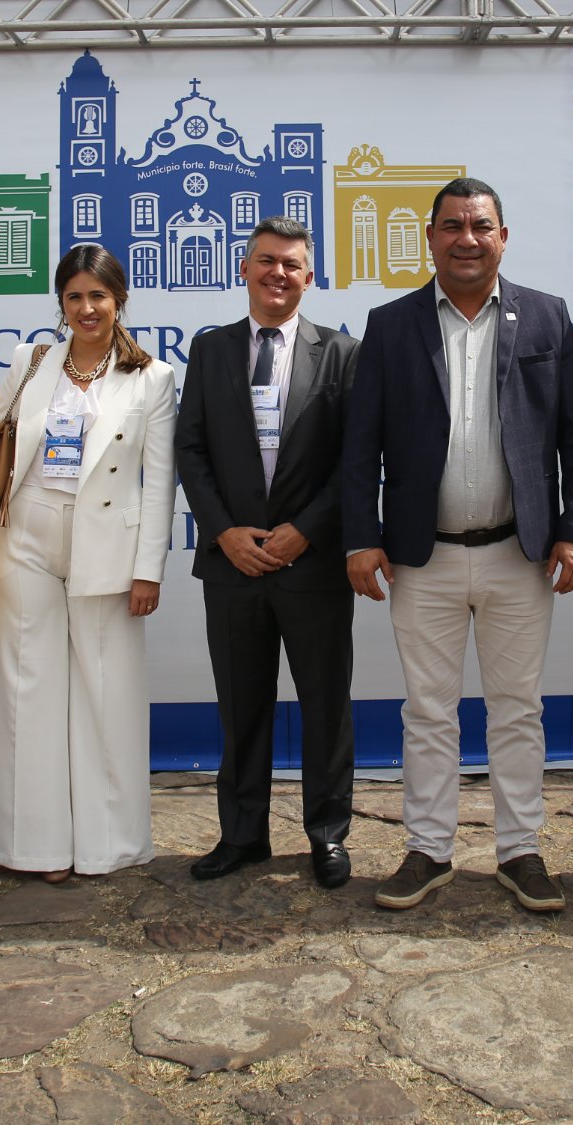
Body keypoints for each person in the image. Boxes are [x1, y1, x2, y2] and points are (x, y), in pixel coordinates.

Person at [342, 177, 573, 913]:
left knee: (518, 708)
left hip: (521, 554)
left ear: (503, 237)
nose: (467, 239)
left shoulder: (547, 318)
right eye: (452, 225)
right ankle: (428, 848)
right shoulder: (391, 325)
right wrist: (362, 537)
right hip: (424, 556)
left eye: (481, 226)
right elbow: (361, 446)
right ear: (430, 237)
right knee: (428, 709)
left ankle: (521, 849)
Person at [0, 244, 176, 879]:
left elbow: (160, 480)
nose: (87, 308)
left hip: (108, 547)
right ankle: (29, 846)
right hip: (25, 538)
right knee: (23, 692)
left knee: (105, 694)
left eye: (98, 296)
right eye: (74, 297)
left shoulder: (154, 377)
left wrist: (148, 570)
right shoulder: (30, 363)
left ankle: (106, 843)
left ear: (120, 302)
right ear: (60, 304)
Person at [177, 218, 362, 888]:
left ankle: (328, 833)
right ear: (245, 267)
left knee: (325, 704)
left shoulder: (342, 353)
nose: (278, 273)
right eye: (266, 261)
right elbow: (189, 449)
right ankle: (243, 834)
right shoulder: (212, 350)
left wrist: (304, 530)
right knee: (242, 704)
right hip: (233, 565)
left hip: (310, 563)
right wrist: (225, 530)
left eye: (291, 264)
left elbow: (354, 460)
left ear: (309, 277)